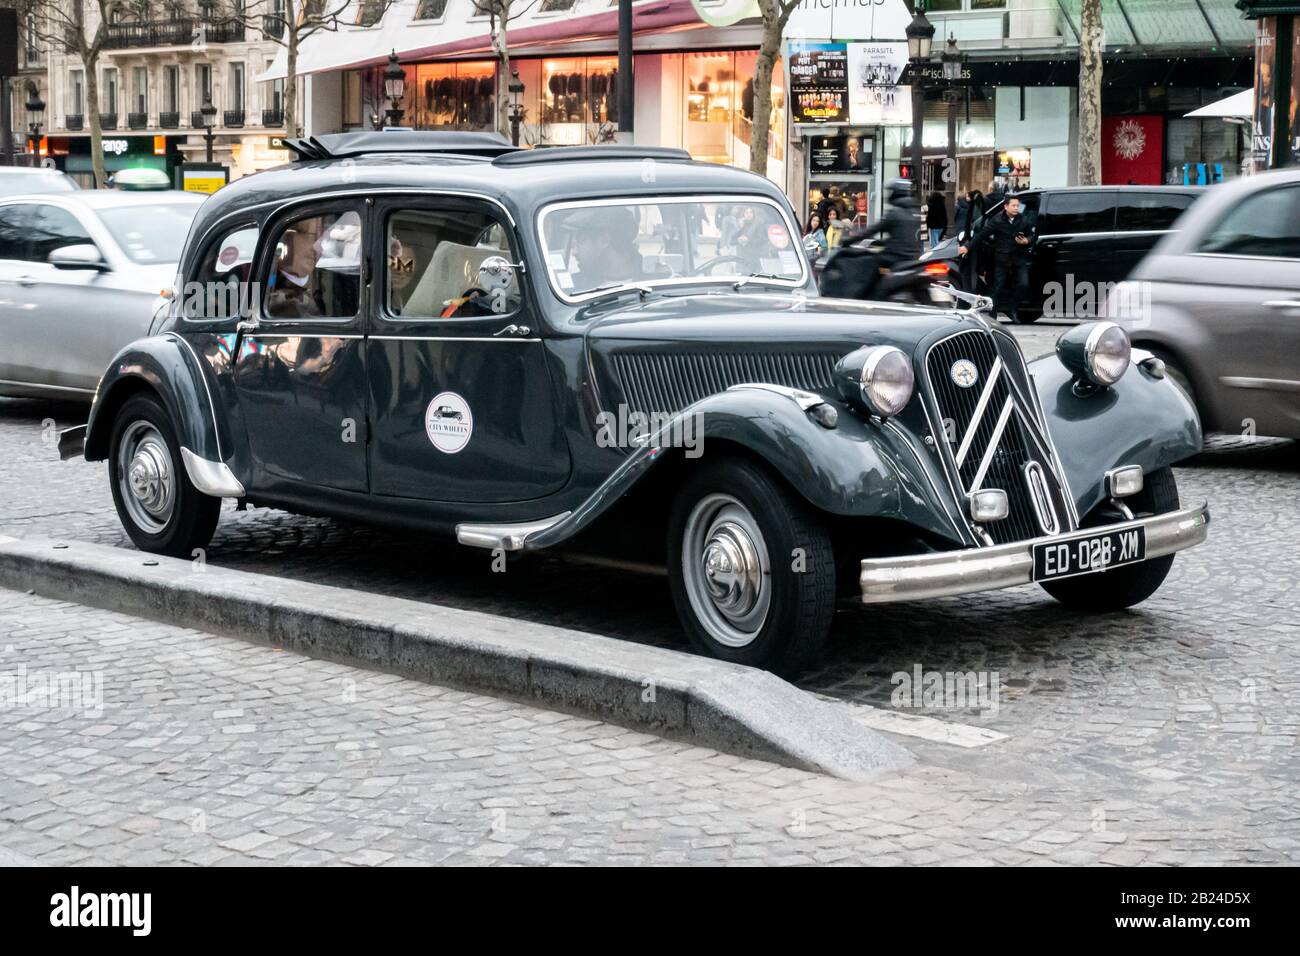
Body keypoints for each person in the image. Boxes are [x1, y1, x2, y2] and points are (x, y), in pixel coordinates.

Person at [959, 194, 1034, 323]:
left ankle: (1013, 308)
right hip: (1002, 259)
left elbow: (1031, 235)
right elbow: (981, 235)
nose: (1016, 208)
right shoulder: (997, 220)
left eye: (1018, 206)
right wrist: (968, 247)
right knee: (998, 287)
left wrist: (1027, 240)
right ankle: (993, 314)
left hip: (1018, 258)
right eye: (1013, 206)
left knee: (1023, 284)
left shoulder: (1023, 220)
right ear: (1006, 206)